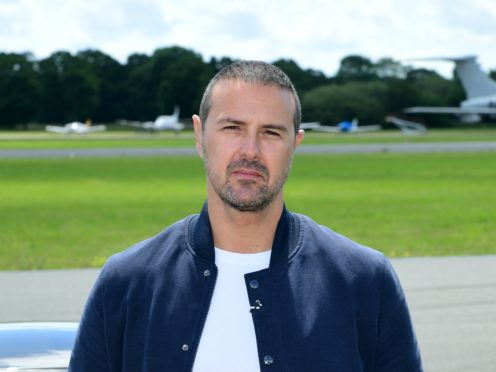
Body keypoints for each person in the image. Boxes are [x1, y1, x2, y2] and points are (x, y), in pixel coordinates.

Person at [69, 61, 422, 371]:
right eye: (232, 128)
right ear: (198, 135)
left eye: (271, 132)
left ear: (295, 144)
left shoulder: (365, 280)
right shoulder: (127, 282)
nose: (250, 151)